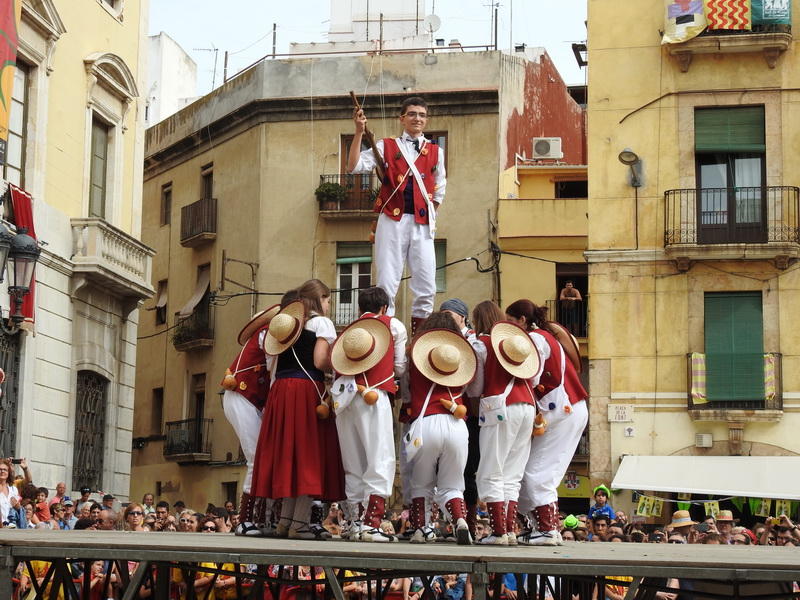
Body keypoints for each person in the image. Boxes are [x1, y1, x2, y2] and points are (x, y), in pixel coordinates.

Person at [250, 280, 344, 540]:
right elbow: (320, 360)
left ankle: (286, 522)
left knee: (290, 456)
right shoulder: (320, 324)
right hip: (305, 389)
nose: (328, 306)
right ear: (320, 298)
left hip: (281, 390)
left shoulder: (288, 323)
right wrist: (337, 365)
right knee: (307, 456)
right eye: (327, 300)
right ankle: (299, 524)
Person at [348, 97, 447, 332]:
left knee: (427, 285)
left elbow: (440, 187)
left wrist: (431, 213)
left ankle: (420, 338)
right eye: (412, 114)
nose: (417, 118)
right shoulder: (386, 145)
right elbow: (353, 166)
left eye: (422, 115)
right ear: (402, 119)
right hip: (392, 219)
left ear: (426, 119)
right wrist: (359, 132)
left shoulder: (435, 151)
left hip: (422, 222)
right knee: (386, 283)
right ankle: (387, 336)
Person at [506, 299, 589, 546]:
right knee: (530, 473)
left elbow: (529, 375)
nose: (510, 328)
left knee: (537, 473)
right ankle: (540, 526)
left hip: (561, 409)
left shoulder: (537, 339)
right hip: (566, 408)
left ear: (522, 320)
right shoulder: (545, 337)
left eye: (511, 322)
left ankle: (548, 529)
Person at [331, 286, 407, 543]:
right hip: (374, 396)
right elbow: (399, 367)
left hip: (345, 398)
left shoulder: (348, 331)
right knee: (380, 458)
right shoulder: (393, 326)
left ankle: (353, 523)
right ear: (384, 308)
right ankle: (371, 524)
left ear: (360, 309)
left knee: (352, 463)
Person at [404, 312, 476, 544]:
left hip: (426, 422)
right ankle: (460, 521)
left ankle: (421, 530)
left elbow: (405, 388)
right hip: (457, 425)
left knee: (421, 483)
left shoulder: (415, 356)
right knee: (453, 484)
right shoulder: (458, 358)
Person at [469, 319, 541, 546]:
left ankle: (499, 532)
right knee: (512, 473)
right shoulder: (519, 343)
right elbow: (536, 377)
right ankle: (508, 530)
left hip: (500, 406)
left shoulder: (482, 344)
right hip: (528, 406)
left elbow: (476, 387)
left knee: (491, 469)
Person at [221, 303, 281, 536]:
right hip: (242, 396)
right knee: (257, 458)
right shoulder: (267, 333)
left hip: (250, 399)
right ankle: (246, 520)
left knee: (263, 458)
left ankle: (262, 517)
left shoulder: (265, 334)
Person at [0, 458, 19, 525]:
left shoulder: (13, 489)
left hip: (11, 527)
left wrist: (17, 505)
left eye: (5, 470)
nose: (2, 471)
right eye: (0, 469)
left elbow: (17, 509)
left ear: (8, 473)